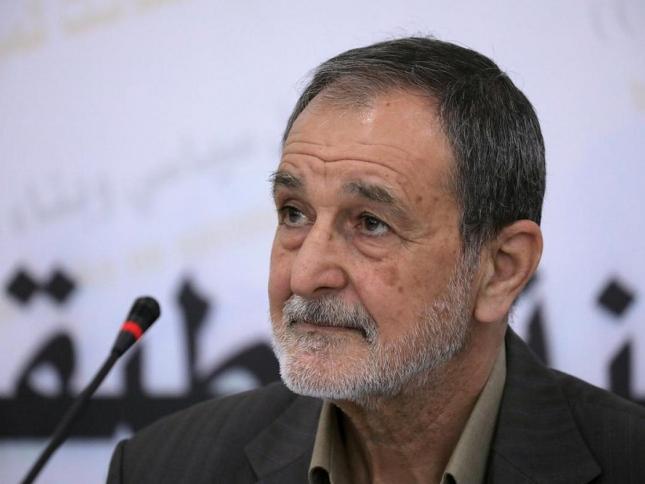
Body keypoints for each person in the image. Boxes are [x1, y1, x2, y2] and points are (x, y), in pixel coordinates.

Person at [107, 37, 645, 484]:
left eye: (370, 223)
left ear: (501, 270)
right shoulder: (163, 468)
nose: (305, 275)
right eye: (294, 213)